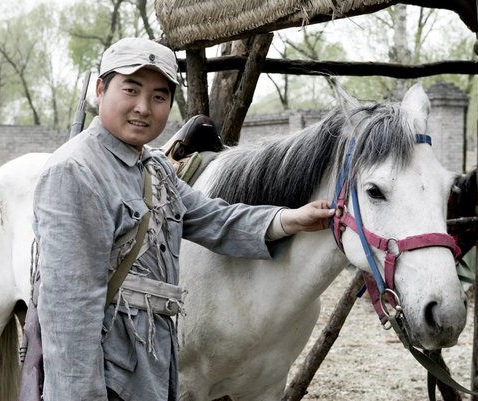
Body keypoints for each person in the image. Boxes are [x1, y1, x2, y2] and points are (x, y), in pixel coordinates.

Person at [32, 37, 335, 401]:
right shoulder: (75, 171)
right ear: (100, 89)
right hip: (106, 372)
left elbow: (211, 217)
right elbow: (69, 312)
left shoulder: (155, 167)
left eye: (159, 97)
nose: (143, 108)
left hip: (152, 362)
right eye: (131, 89)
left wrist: (289, 220)